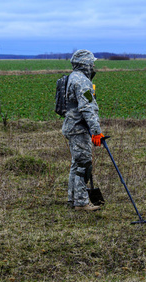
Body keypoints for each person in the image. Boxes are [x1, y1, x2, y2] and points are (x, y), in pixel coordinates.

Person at [62, 49, 104, 211]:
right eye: (91, 62)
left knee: (76, 163)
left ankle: (72, 198)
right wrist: (96, 131)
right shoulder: (82, 81)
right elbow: (87, 108)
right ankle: (81, 202)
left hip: (71, 127)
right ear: (85, 64)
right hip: (79, 129)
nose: (93, 65)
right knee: (83, 164)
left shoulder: (73, 77)